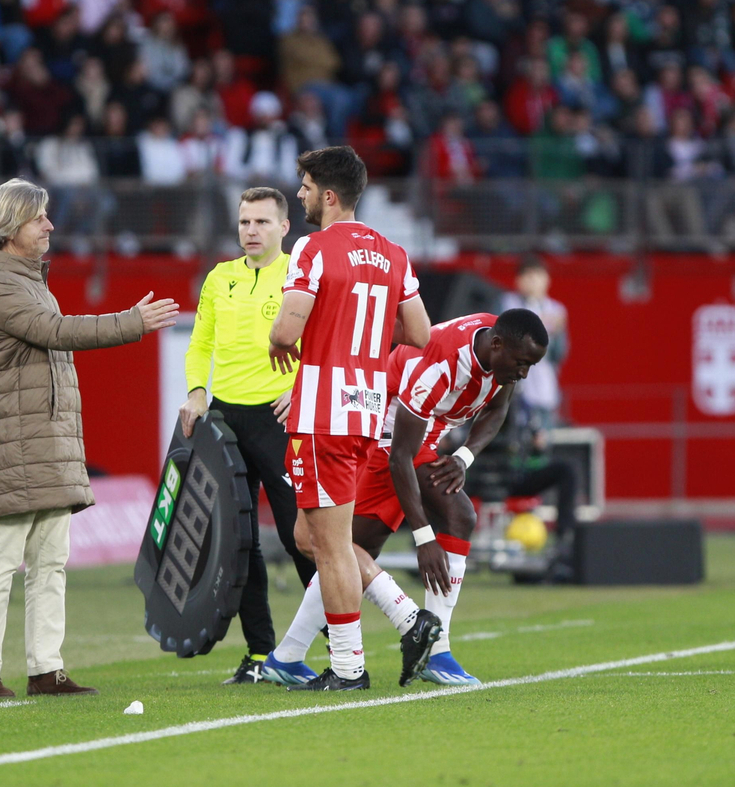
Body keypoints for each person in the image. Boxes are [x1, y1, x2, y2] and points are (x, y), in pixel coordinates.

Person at [0, 179, 178, 700]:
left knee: (49, 562)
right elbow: (57, 333)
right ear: (12, 227)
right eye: (40, 218)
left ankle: (46, 669)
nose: (50, 226)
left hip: (44, 438)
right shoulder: (0, 286)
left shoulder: (31, 281)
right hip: (14, 441)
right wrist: (132, 322)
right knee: (0, 558)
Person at [262, 309, 548, 689]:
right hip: (382, 432)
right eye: (522, 363)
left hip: (416, 435)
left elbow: (498, 407)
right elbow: (401, 456)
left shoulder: (505, 349)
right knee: (339, 545)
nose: (524, 372)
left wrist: (463, 457)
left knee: (351, 547)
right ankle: (427, 640)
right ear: (497, 346)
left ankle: (288, 656)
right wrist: (424, 538)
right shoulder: (438, 368)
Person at [268, 146, 430, 691]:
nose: (301, 195)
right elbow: (421, 335)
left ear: (329, 195)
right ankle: (397, 622)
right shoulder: (395, 254)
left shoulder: (312, 248)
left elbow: (287, 332)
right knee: (310, 535)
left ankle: (348, 668)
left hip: (321, 414)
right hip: (365, 411)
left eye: (307, 187)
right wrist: (363, 344)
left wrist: (280, 338)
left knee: (329, 547)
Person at [178, 186, 316, 685]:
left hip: (279, 421)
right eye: (243, 223)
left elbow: (322, 345)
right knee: (239, 542)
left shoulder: (300, 275)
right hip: (225, 421)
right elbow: (200, 344)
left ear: (284, 227)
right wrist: (197, 391)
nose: (251, 231)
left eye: (261, 222)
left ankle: (335, 647)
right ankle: (260, 653)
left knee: (299, 535)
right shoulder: (220, 278)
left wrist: (302, 390)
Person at [498, 257, 569, 426]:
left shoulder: (557, 310)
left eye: (538, 276)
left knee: (544, 441)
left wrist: (557, 333)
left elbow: (559, 353)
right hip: (517, 389)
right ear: (518, 280)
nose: (533, 281)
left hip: (546, 387)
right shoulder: (508, 303)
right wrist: (542, 324)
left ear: (547, 280)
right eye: (528, 276)